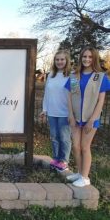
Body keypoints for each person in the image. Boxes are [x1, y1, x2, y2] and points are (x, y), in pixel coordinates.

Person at [65, 46, 110, 187]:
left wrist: (92, 120)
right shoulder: (74, 76)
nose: (87, 59)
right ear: (80, 58)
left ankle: (85, 178)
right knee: (76, 147)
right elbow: (70, 97)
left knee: (85, 147)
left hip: (91, 119)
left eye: (90, 57)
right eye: (84, 56)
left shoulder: (100, 77)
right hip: (76, 117)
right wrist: (71, 115)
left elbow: (101, 101)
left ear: (94, 59)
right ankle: (79, 173)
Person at [40, 50, 72, 172]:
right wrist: (44, 109)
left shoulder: (72, 75)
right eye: (57, 59)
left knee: (64, 137)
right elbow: (47, 94)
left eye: (62, 59)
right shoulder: (51, 75)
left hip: (65, 113)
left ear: (66, 60)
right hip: (52, 112)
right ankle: (56, 159)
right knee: (54, 137)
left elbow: (75, 94)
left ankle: (64, 161)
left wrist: (72, 113)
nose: (59, 62)